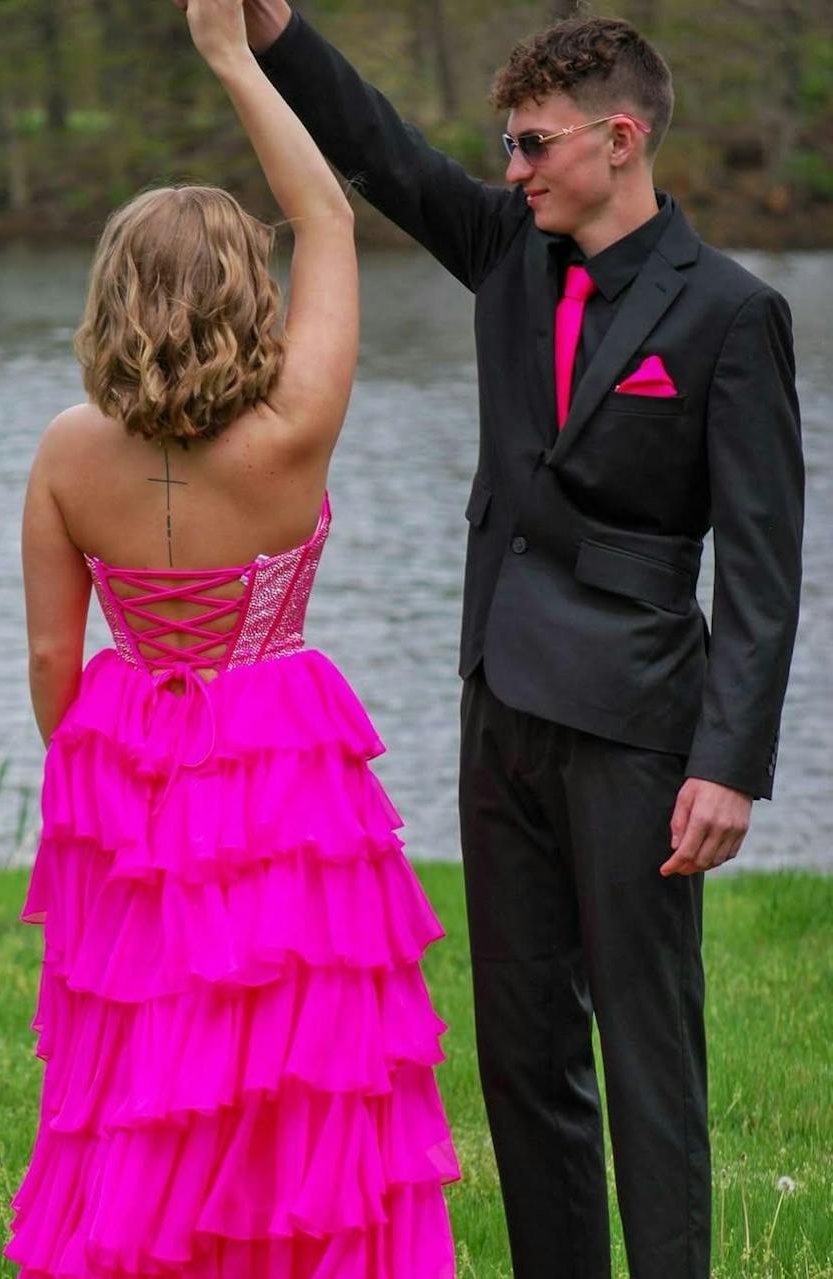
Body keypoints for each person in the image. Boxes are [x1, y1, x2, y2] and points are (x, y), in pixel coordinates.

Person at [240, 4, 805, 1278]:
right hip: (499, 702)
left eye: (534, 143)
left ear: (620, 139)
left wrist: (728, 763)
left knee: (649, 1054)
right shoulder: (506, 250)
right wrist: (276, 33)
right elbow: (381, 152)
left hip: (635, 726)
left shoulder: (730, 313)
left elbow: (762, 568)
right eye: (507, 142)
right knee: (523, 1047)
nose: (512, 167)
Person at [2, 0, 461, 1274]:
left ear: (112, 295)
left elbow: (50, 661)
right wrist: (230, 51)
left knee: (144, 1056)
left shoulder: (66, 453)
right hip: (284, 766)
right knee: (299, 1060)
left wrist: (98, 773)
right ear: (244, 295)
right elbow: (328, 217)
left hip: (129, 766)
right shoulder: (293, 430)